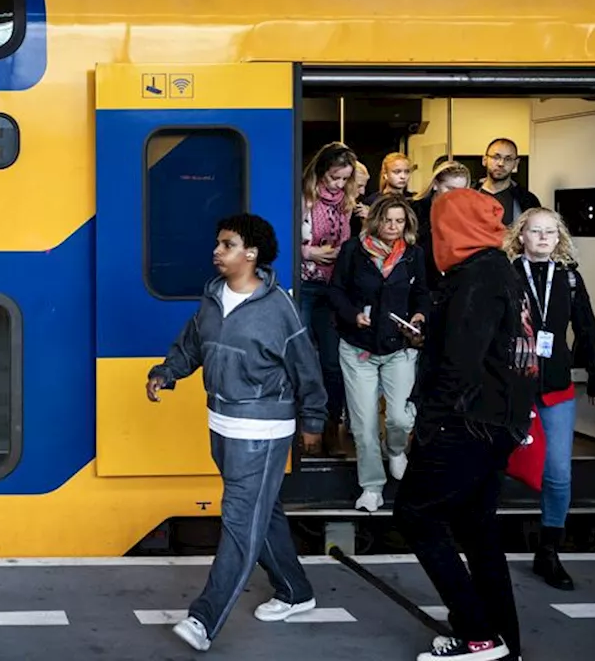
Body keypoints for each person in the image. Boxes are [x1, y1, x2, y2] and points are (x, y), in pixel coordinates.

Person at [146, 213, 326, 653]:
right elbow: (192, 347)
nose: (217, 251)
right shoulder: (211, 300)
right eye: (218, 243)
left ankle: (205, 619)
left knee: (240, 520)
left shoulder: (279, 307)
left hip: (263, 429)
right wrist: (165, 374)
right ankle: (295, 590)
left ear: (252, 253)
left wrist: (314, 421)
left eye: (226, 244)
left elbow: (306, 366)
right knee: (263, 513)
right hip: (222, 425)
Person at [393, 189, 539, 661]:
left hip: (466, 422)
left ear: (454, 230)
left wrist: (430, 425)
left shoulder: (474, 278)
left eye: (437, 228)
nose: (435, 236)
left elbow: (462, 364)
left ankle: (477, 634)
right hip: (498, 421)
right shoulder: (502, 272)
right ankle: (503, 641)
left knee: (415, 515)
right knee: (477, 528)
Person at [505, 208, 595, 591]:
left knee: (559, 474)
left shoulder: (569, 279)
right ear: (521, 236)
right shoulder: (507, 275)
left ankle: (548, 551)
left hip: (557, 387)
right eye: (535, 231)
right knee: (494, 465)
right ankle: (480, 546)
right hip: (513, 387)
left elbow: (587, 328)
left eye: (550, 232)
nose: (543, 238)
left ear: (558, 238)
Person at [329, 195, 430, 512]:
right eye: (387, 220)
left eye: (399, 221)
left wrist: (419, 316)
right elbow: (336, 290)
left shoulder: (413, 255)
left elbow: (422, 294)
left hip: (398, 348)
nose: (393, 226)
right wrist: (352, 314)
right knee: (364, 425)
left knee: (400, 417)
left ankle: (396, 448)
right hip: (359, 347)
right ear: (375, 221)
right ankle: (371, 487)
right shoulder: (353, 251)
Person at [299, 141, 361, 454]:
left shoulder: (346, 202)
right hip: (305, 284)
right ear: (321, 171)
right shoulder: (302, 198)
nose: (338, 184)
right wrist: (311, 252)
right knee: (302, 358)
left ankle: (330, 426)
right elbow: (284, 239)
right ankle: (306, 428)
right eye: (334, 177)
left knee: (332, 362)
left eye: (344, 179)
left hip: (334, 286)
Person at [413, 160, 472, 294]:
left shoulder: (467, 216)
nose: (455, 195)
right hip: (418, 284)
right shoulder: (414, 210)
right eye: (450, 189)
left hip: (451, 286)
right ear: (435, 185)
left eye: (461, 190)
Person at [478, 138, 541, 226]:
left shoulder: (527, 200)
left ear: (515, 164)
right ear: (484, 160)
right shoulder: (468, 193)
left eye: (508, 159)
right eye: (496, 157)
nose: (501, 163)